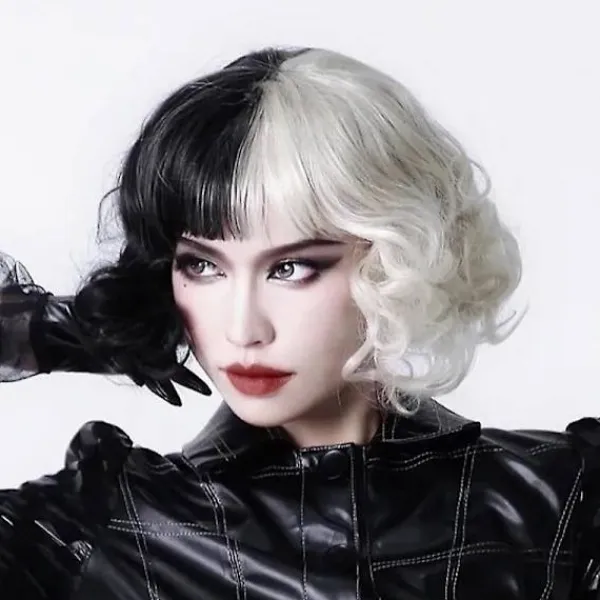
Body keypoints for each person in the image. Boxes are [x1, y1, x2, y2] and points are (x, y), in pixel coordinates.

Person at [0, 46, 598, 600]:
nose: (243, 329)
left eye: (290, 268)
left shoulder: (558, 499)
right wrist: (66, 329)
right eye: (202, 266)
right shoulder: (104, 524)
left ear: (396, 260)